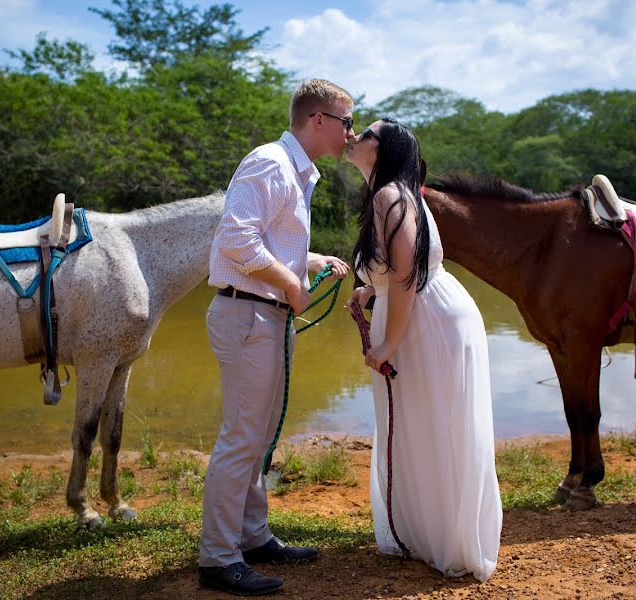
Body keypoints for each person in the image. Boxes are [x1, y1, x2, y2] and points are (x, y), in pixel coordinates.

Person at [198, 79, 353, 596]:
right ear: (318, 120)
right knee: (242, 438)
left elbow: (264, 241)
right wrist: (291, 283)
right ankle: (219, 560)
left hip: (265, 316)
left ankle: (252, 536)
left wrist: (311, 262)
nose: (350, 133)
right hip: (249, 316)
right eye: (346, 122)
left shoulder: (295, 171)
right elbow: (234, 239)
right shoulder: (270, 162)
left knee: (260, 436)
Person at [345, 118, 502, 580]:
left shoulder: (389, 196)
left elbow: (405, 273)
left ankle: (444, 540)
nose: (354, 137)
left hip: (422, 320)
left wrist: (390, 341)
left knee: (430, 422)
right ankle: (438, 533)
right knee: (431, 422)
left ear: (384, 149)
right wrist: (368, 291)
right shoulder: (398, 192)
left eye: (365, 134)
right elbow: (396, 268)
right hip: (431, 311)